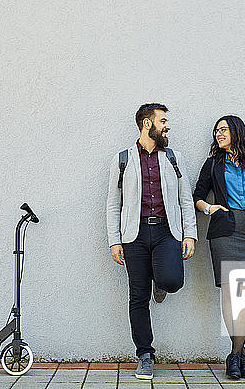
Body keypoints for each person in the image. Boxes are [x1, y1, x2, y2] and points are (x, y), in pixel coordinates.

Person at [106, 103, 197, 380]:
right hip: (133, 236)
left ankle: (161, 279)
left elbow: (185, 199)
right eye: (163, 121)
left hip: (167, 233)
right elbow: (113, 203)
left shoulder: (174, 158)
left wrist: (189, 233)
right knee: (138, 296)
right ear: (147, 124)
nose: (167, 126)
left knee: (172, 281)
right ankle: (145, 354)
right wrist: (114, 240)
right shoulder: (122, 159)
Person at [193, 115, 245, 379]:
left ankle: (235, 353)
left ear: (237, 132)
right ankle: (239, 355)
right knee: (231, 294)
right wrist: (210, 208)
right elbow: (197, 195)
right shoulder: (213, 164)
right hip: (225, 232)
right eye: (216, 131)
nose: (218, 134)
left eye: (223, 130)